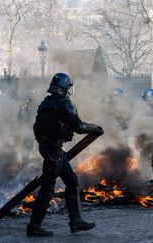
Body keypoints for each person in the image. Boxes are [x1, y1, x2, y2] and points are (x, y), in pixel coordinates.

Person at [28, 72, 104, 237]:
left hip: (50, 148)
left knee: (72, 181)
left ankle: (76, 222)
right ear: (67, 87)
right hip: (53, 150)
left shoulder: (46, 103)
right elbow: (79, 127)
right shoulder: (63, 102)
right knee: (47, 189)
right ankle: (34, 226)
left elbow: (38, 128)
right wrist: (96, 128)